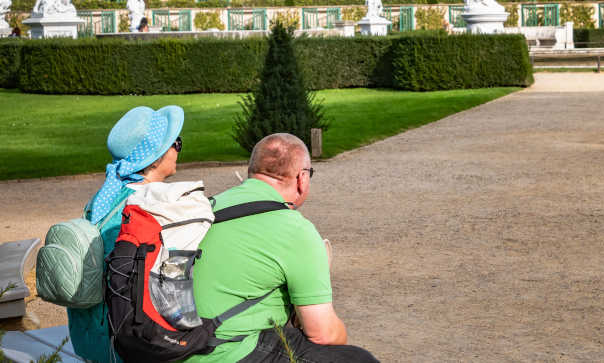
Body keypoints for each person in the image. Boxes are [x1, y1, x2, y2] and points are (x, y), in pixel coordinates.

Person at [183, 133, 378, 363]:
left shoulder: (206, 207)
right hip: (225, 352)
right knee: (358, 359)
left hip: (174, 346)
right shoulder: (296, 230)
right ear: (301, 179)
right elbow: (324, 334)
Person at [68, 105, 185, 363]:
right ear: (154, 158)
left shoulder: (105, 197)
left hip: (90, 336)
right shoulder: (149, 204)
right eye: (175, 143)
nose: (178, 149)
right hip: (127, 342)